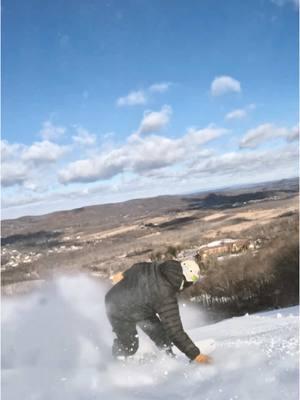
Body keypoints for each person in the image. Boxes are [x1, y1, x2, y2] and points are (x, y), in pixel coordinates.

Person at [105, 259, 212, 364]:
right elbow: (175, 331)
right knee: (129, 345)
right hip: (117, 309)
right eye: (189, 284)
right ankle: (117, 362)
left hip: (139, 308)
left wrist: (124, 274)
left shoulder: (158, 267)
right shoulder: (166, 296)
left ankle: (169, 359)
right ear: (185, 280)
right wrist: (196, 355)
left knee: (161, 335)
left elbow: (137, 267)